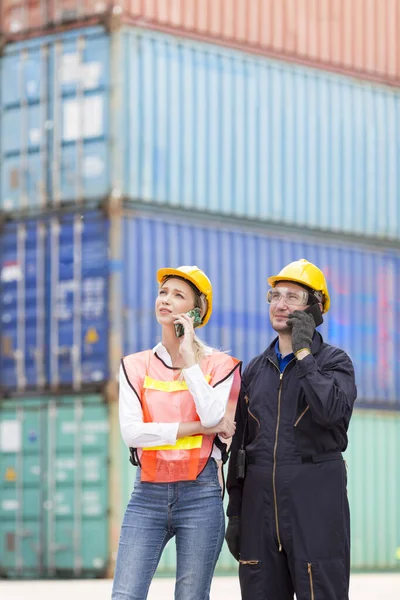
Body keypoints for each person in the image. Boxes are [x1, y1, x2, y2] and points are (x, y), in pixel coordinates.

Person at [225, 258, 357, 600]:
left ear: (315, 308)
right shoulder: (254, 370)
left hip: (315, 509)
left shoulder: (334, 363)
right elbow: (241, 449)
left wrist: (303, 353)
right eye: (274, 295)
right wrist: (236, 513)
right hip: (260, 514)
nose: (280, 304)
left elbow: (331, 412)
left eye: (292, 297)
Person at [112, 265, 241, 600]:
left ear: (196, 312)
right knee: (125, 595)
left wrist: (189, 361)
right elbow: (132, 433)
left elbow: (216, 412)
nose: (165, 300)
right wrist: (199, 428)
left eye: (177, 295)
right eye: (162, 292)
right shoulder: (134, 365)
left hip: (201, 495)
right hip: (147, 496)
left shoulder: (221, 366)